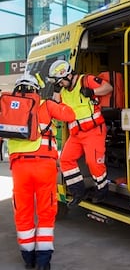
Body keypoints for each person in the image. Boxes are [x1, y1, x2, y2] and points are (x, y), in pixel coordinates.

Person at [8, 74, 76, 270]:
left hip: (20, 168)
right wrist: (56, 98)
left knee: (23, 212)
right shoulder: (45, 105)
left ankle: (28, 259)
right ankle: (43, 262)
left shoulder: (8, 108)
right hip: (44, 166)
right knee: (46, 213)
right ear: (36, 89)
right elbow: (70, 116)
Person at [48, 60, 113, 208]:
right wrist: (56, 91)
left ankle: (102, 190)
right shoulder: (63, 91)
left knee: (93, 162)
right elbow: (55, 108)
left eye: (60, 82)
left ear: (68, 75)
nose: (61, 85)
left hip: (94, 130)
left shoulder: (86, 80)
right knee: (65, 160)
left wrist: (92, 92)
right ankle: (78, 192)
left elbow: (108, 87)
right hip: (76, 134)